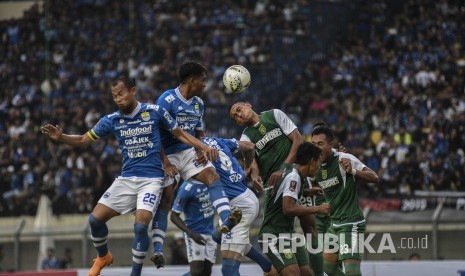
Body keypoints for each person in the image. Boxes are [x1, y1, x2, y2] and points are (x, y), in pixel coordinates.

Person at [41, 76, 219, 276]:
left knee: (141, 227)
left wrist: (202, 146)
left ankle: (135, 273)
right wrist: (62, 138)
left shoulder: (154, 112)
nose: (118, 99)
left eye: (121, 93)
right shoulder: (111, 120)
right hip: (126, 179)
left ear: (133, 91)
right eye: (114, 96)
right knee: (94, 221)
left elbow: (179, 134)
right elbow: (84, 140)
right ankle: (103, 256)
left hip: (151, 180)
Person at [151, 61, 242, 268]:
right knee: (166, 199)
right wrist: (165, 162)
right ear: (192, 80)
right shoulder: (167, 100)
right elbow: (154, 134)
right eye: (203, 80)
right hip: (166, 153)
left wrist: (200, 149)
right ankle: (157, 248)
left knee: (212, 176)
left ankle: (227, 220)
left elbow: (199, 131)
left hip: (188, 151)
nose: (205, 84)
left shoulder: (198, 104)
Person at [228, 101, 317, 273]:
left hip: (296, 176)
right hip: (275, 186)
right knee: (282, 223)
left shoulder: (274, 114)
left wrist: (283, 167)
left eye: (239, 110)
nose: (239, 115)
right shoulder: (246, 136)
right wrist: (255, 178)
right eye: (235, 117)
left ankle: (314, 266)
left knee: (309, 225)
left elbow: (297, 139)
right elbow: (253, 163)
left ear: (248, 104)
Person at [201, 137, 277, 276]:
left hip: (239, 208)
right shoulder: (216, 140)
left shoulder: (192, 149)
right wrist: (247, 167)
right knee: (217, 236)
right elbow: (249, 146)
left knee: (228, 269)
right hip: (240, 198)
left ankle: (270, 268)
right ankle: (268, 268)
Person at [311, 125, 379, 276]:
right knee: (328, 268)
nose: (317, 148)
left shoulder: (344, 159)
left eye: (320, 144)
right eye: (314, 144)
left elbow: (374, 177)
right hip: (334, 224)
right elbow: (314, 182)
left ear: (331, 143)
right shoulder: (315, 164)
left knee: (352, 272)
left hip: (351, 223)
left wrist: (353, 171)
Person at [260, 142, 330, 276]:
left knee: (305, 273)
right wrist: (317, 209)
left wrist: (307, 191)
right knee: (293, 274)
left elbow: (283, 194)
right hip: (273, 235)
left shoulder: (292, 172)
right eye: (318, 163)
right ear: (311, 161)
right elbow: (288, 208)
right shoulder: (294, 177)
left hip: (287, 233)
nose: (319, 168)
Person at [170, 180, 216, 276]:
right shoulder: (187, 188)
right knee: (196, 272)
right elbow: (173, 216)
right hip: (195, 233)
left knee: (207, 271)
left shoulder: (213, 179)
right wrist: (191, 234)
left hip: (211, 233)